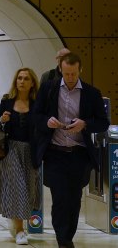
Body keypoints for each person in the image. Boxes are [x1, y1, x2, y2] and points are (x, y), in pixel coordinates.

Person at [33, 53, 109, 248]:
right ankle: (63, 241)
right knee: (59, 198)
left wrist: (84, 124)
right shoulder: (49, 89)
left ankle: (68, 236)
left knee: (74, 200)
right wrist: (47, 122)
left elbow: (103, 122)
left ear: (80, 71)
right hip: (55, 152)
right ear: (61, 70)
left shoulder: (92, 93)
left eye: (74, 74)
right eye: (67, 74)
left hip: (79, 154)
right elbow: (36, 115)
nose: (70, 78)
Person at [0, 68, 41, 245]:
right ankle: (20, 230)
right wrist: (2, 121)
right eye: (19, 78)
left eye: (26, 78)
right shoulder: (7, 102)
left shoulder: (37, 104)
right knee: (17, 186)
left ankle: (15, 222)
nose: (22, 81)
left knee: (28, 189)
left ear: (32, 83)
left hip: (30, 151)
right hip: (10, 149)